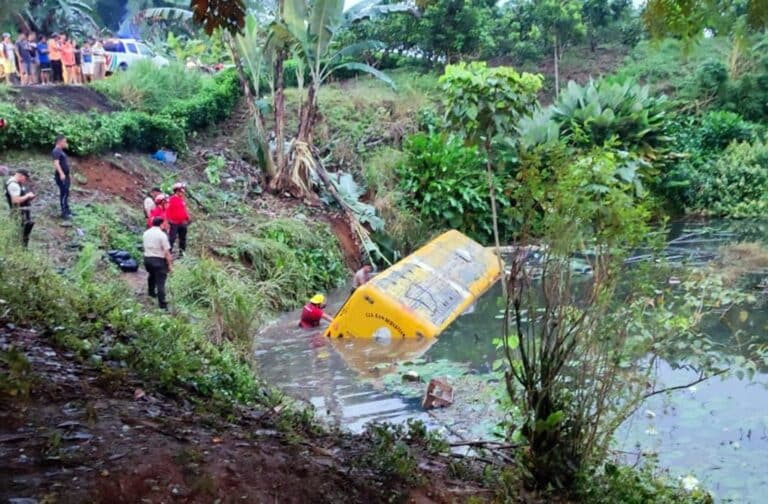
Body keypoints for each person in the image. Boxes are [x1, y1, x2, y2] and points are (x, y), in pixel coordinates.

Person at [143, 216, 173, 310]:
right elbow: (166, 252)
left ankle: (151, 292)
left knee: (152, 274)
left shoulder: (146, 233)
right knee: (161, 283)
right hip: (158, 260)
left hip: (147, 259)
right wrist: (170, 265)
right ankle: (163, 306)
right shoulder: (162, 235)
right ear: (161, 224)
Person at [5, 169, 36, 247]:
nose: (25, 181)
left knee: (25, 231)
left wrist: (28, 197)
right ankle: (20, 249)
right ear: (21, 176)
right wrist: (27, 196)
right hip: (19, 212)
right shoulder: (13, 185)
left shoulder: (17, 184)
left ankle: (21, 248)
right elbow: (15, 200)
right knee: (20, 233)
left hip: (23, 211)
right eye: (25, 178)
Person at [166, 182, 190, 255]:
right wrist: (169, 220)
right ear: (177, 191)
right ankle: (168, 253)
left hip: (182, 222)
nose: (183, 193)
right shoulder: (171, 200)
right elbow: (167, 210)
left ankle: (182, 253)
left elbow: (183, 210)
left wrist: (187, 218)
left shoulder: (181, 200)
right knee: (172, 238)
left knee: (183, 239)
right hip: (174, 223)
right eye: (181, 191)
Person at [52, 135, 72, 218]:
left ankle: (67, 210)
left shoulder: (61, 151)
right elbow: (56, 163)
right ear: (60, 142)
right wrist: (61, 173)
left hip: (66, 176)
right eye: (64, 141)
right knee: (63, 193)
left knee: (66, 192)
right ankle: (64, 213)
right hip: (62, 176)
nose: (66, 143)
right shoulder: (56, 151)